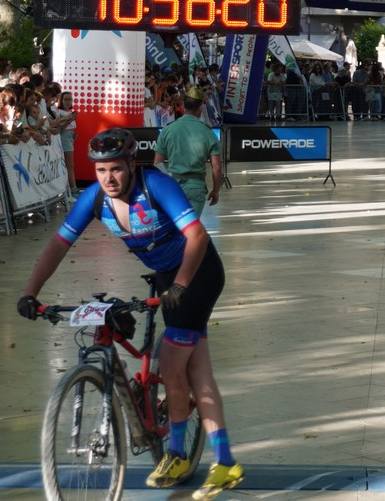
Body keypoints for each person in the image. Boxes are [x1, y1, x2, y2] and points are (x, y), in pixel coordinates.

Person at [17, 128, 242, 498]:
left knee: (172, 363)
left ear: (132, 164)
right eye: (101, 170)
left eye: (116, 169)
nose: (108, 178)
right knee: (197, 370)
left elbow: (198, 236)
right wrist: (30, 293)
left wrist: (180, 285)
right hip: (167, 276)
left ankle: (176, 455)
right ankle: (226, 461)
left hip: (197, 271)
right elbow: (58, 244)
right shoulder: (93, 198)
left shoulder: (156, 185)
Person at [154, 86, 224, 214]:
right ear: (200, 108)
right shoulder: (208, 132)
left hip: (173, 187)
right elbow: (217, 167)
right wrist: (215, 190)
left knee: (175, 225)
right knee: (192, 226)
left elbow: (157, 163)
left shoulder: (168, 130)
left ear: (184, 106)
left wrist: (164, 186)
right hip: (196, 188)